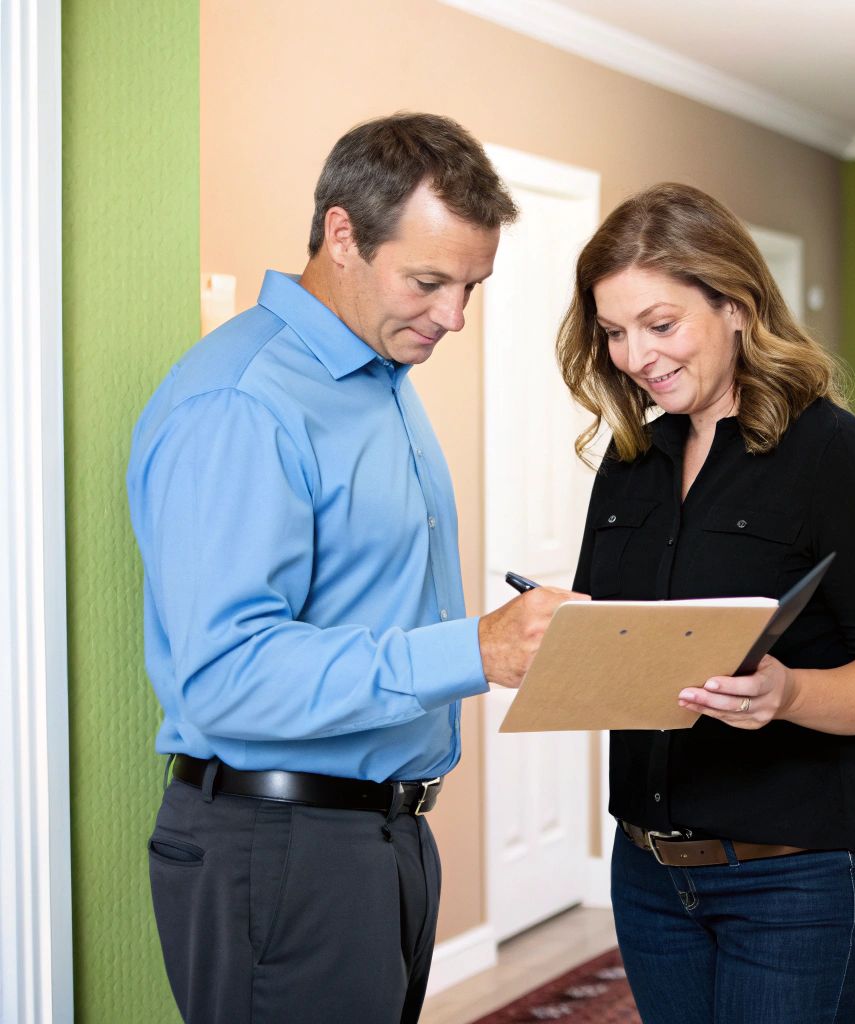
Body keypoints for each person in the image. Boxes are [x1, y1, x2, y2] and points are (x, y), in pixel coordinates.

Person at [127, 112, 582, 1024]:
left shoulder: (378, 380)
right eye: (429, 282)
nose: (453, 317)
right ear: (343, 234)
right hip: (283, 848)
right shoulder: (243, 404)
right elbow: (225, 674)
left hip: (379, 837)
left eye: (471, 286)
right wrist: (474, 651)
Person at [556, 182, 855, 1023]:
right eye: (614, 332)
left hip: (803, 877)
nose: (635, 356)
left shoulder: (837, 456)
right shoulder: (631, 460)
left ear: (735, 305)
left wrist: (788, 693)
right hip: (650, 876)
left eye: (661, 325)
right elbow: (619, 636)